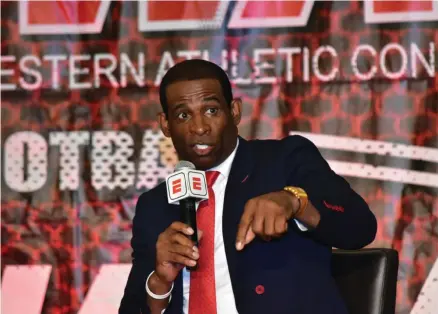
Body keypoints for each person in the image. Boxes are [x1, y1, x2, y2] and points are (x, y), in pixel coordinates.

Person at [119, 59, 377, 314]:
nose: (199, 127)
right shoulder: (155, 205)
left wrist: (295, 202)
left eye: (211, 110)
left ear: (234, 111)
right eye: (183, 115)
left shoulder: (284, 161)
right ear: (166, 124)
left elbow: (360, 228)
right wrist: (160, 282)